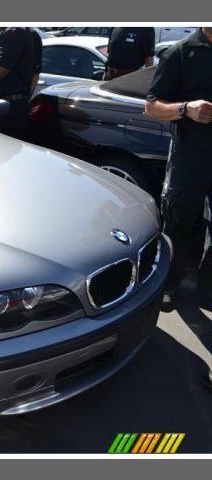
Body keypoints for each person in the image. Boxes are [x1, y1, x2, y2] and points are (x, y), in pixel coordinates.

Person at [145, 27, 212, 314]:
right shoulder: (180, 53)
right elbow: (151, 108)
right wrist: (186, 109)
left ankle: (208, 289)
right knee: (178, 219)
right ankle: (169, 284)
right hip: (191, 151)